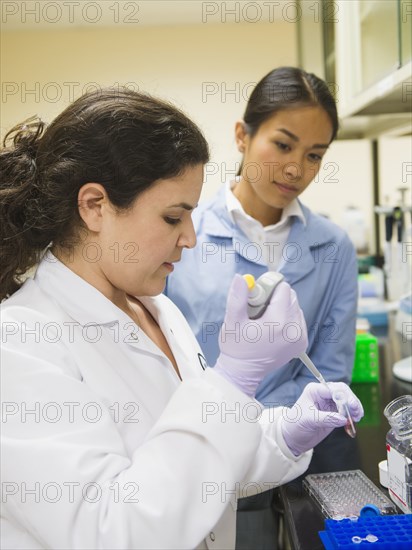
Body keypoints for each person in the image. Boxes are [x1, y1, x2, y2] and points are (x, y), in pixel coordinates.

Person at [0, 88, 363, 550]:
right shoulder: (19, 343)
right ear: (94, 206)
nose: (190, 238)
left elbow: (199, 463)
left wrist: (285, 435)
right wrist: (232, 380)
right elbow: (115, 531)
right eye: (174, 217)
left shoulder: (154, 307)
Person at [165, 66, 359, 408]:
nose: (296, 168)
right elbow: (159, 361)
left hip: (293, 448)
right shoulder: (179, 231)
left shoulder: (334, 247)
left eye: (314, 155)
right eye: (283, 145)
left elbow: (329, 373)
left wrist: (266, 424)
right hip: (197, 439)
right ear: (242, 136)